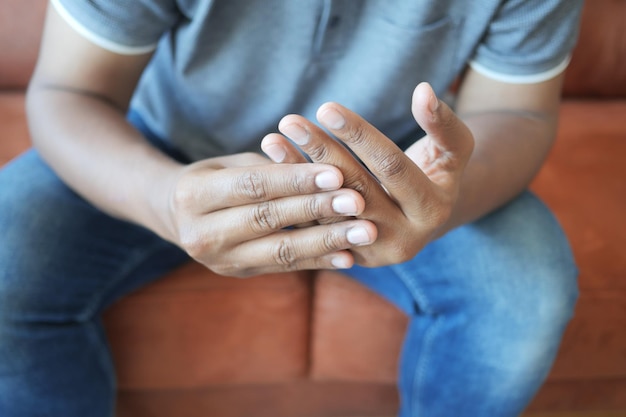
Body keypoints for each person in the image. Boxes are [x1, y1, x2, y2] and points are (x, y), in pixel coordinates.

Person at [0, 0, 584, 416]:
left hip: (399, 162)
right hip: (166, 148)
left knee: (525, 295)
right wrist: (162, 197)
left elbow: (520, 112)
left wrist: (441, 199)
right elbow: (70, 92)